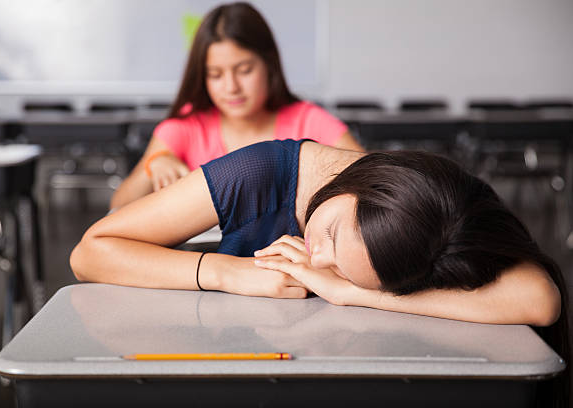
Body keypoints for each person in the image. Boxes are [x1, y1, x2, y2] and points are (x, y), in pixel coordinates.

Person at [72, 139, 569, 402]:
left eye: (350, 271)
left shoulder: (430, 224)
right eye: (328, 235)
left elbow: (539, 299)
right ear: (360, 180)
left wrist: (355, 295)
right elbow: (91, 251)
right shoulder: (260, 173)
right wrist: (227, 271)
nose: (320, 258)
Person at [110, 2, 363, 210]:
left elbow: (372, 178)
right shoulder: (187, 126)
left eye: (244, 70)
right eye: (216, 75)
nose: (231, 87)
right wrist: (153, 165)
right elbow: (118, 207)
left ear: (269, 65)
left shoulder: (308, 120)